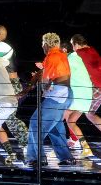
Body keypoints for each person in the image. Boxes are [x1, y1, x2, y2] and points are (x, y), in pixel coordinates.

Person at [20, 33, 75, 167]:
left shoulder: (51, 56)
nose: (42, 46)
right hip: (67, 94)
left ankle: (35, 158)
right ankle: (66, 157)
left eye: (42, 43)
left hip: (58, 95)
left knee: (35, 122)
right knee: (55, 126)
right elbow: (46, 73)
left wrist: (42, 85)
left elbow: (44, 81)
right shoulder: (61, 54)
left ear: (46, 44)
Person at [64, 34, 95, 158]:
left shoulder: (72, 57)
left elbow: (62, 72)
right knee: (71, 121)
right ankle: (86, 148)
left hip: (78, 96)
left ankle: (59, 146)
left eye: (73, 45)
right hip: (87, 96)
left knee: (56, 118)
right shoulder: (85, 57)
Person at [71, 35, 101, 153]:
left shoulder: (79, 53)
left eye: (73, 45)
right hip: (99, 86)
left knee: (74, 118)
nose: (73, 48)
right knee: (90, 115)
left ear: (77, 44)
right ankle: (78, 142)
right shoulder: (92, 50)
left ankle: (82, 145)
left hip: (96, 87)